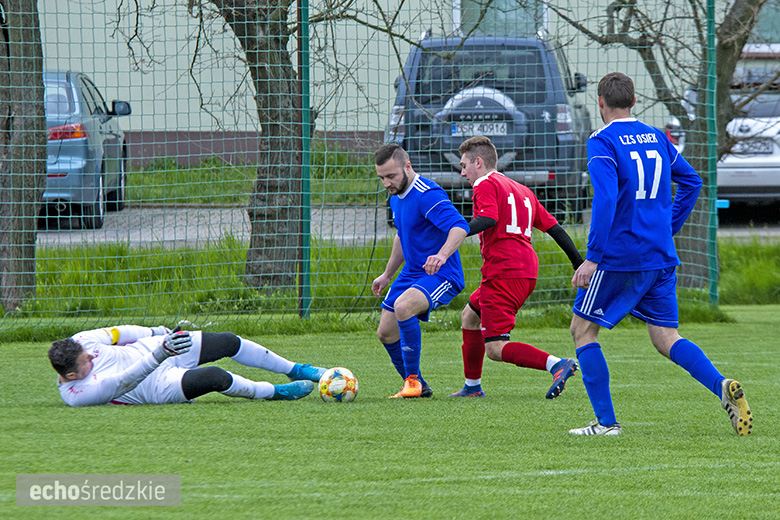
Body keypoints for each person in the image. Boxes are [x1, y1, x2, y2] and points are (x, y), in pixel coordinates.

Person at [568, 72, 752, 436]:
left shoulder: (601, 141)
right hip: (661, 255)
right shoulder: (656, 136)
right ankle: (721, 386)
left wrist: (592, 256)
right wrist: (667, 226)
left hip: (621, 256)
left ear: (601, 103)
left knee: (582, 330)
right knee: (666, 337)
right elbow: (692, 181)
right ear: (634, 102)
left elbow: (605, 199)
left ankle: (606, 425)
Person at [449, 135, 583, 399]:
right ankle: (472, 387)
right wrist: (578, 263)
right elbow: (555, 229)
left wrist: (458, 231)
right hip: (525, 270)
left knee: (496, 348)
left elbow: (488, 218)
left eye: (464, 165)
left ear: (479, 161)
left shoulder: (484, 184)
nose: (462, 172)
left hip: (504, 271)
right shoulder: (521, 190)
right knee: (470, 316)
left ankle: (557, 364)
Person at [372, 143, 470, 398]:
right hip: (412, 272)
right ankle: (419, 384)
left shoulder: (427, 194)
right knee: (386, 331)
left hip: (442, 273)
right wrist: (387, 274)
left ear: (407, 166)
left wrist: (441, 255)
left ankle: (412, 382)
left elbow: (459, 226)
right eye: (381, 177)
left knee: (404, 307)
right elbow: (402, 237)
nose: (386, 183)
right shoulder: (396, 197)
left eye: (391, 176)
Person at [49, 325, 327, 407]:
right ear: (72, 375)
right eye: (88, 361)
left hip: (156, 347)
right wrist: (160, 354)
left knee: (228, 341)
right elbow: (125, 381)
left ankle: (298, 369)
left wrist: (157, 331)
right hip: (156, 387)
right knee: (217, 377)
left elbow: (119, 334)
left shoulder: (81, 341)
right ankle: (276, 392)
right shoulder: (78, 396)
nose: (93, 357)